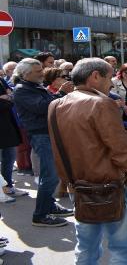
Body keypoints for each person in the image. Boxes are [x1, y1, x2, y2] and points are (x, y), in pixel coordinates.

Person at [48, 58, 127, 263]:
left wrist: (67, 182)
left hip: (80, 186)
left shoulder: (56, 104)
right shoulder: (102, 103)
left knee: (86, 248)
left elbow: (57, 149)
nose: (111, 83)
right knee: (123, 249)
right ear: (95, 76)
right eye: (109, 77)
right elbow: (122, 149)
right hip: (111, 186)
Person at [13, 58, 74, 227]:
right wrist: (61, 93)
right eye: (38, 71)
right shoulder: (21, 90)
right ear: (25, 74)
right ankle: (40, 215)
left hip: (48, 133)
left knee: (52, 175)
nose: (42, 73)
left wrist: (59, 95)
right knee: (50, 176)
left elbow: (49, 103)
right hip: (41, 135)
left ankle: (50, 206)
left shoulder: (34, 86)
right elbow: (42, 107)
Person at [0, 76, 28, 201]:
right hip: (4, 125)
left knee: (9, 158)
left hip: (7, 125)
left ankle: (8, 186)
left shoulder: (1, 79)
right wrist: (8, 98)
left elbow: (11, 95)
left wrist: (8, 97)